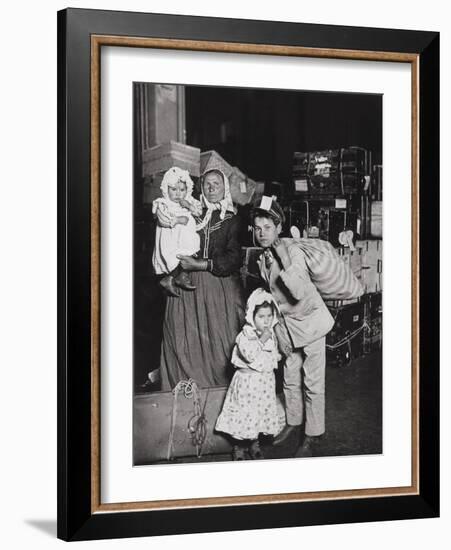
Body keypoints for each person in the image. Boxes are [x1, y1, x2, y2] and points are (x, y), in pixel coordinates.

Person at [251, 198, 334, 457]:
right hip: (287, 326)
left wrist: (284, 256)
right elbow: (273, 300)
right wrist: (277, 331)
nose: (261, 232)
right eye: (257, 227)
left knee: (312, 381)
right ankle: (294, 421)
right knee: (289, 377)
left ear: (279, 227)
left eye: (267, 226)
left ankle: (313, 435)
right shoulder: (261, 256)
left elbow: (297, 290)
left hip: (311, 323)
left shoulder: (293, 250)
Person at [157, 168, 245, 390]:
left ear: (225, 187)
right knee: (181, 340)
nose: (212, 187)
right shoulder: (191, 212)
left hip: (218, 288)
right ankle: (184, 396)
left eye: (217, 183)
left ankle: (220, 397)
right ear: (201, 188)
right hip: (187, 287)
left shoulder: (233, 220)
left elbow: (234, 259)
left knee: (220, 344)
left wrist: (200, 264)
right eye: (206, 184)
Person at [215, 288, 281, 460]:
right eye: (261, 317)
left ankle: (254, 443)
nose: (266, 321)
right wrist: (262, 340)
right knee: (244, 414)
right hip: (247, 383)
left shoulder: (271, 333)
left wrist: (275, 356)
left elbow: (272, 354)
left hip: (263, 383)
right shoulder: (246, 335)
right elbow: (249, 354)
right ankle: (238, 446)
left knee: (258, 413)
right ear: (252, 316)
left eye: (269, 316)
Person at [152, 166, 202, 297]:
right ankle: (170, 278)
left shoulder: (189, 200)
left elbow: (198, 212)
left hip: (186, 236)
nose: (178, 194)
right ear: (166, 189)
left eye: (182, 190)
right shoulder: (163, 203)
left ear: (188, 189)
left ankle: (175, 278)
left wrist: (189, 206)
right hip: (171, 237)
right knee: (174, 257)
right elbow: (162, 220)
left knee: (189, 253)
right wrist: (179, 220)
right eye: (173, 189)